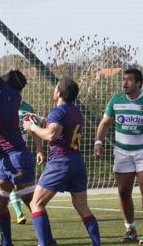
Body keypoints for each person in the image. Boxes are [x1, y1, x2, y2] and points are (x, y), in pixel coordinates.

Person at [94, 68, 143, 244]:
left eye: (129, 80)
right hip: (122, 152)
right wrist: (98, 142)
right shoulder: (116, 100)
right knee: (123, 192)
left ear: (138, 83)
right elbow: (105, 123)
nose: (125, 83)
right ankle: (130, 229)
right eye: (124, 79)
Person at [0, 45, 44, 246]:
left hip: (17, 155)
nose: (2, 77)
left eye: (5, 76)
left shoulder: (9, 94)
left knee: (31, 202)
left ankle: (47, 240)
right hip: (3, 159)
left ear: (10, 83)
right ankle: (6, 243)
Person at [23, 78, 100, 246]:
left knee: (35, 203)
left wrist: (33, 127)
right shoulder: (76, 112)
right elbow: (60, 126)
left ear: (58, 93)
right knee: (82, 207)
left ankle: (45, 244)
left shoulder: (58, 112)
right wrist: (40, 119)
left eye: (55, 88)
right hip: (77, 162)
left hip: (60, 162)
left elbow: (52, 135)